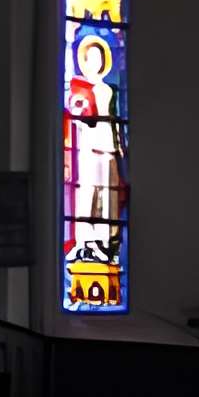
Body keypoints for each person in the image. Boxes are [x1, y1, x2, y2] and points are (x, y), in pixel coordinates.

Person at [64, 33, 122, 256]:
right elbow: (75, 115)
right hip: (86, 145)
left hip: (106, 144)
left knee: (106, 192)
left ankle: (103, 242)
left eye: (99, 58)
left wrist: (118, 148)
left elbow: (114, 119)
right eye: (91, 58)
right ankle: (84, 240)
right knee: (87, 191)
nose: (95, 63)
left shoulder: (108, 90)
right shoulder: (78, 88)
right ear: (84, 62)